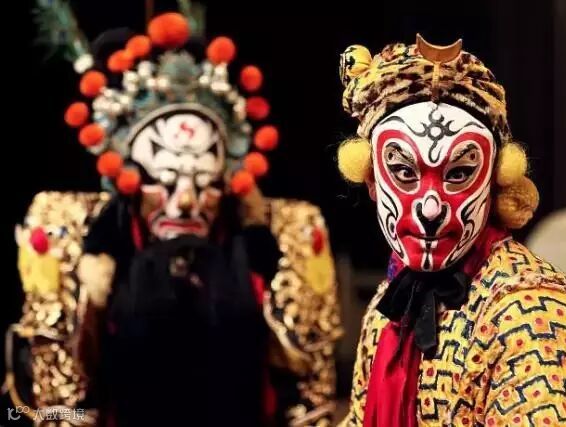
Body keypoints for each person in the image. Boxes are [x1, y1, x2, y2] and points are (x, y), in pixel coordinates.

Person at [6, 8, 340, 426]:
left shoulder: (264, 241)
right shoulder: (93, 244)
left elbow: (305, 397)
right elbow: (65, 404)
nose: (184, 202)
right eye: (163, 181)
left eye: (204, 183)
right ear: (129, 179)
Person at [336, 35, 566, 426]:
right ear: (373, 182)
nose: (431, 208)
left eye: (459, 173)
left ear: (494, 182)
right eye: (404, 172)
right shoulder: (389, 305)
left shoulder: (533, 317)